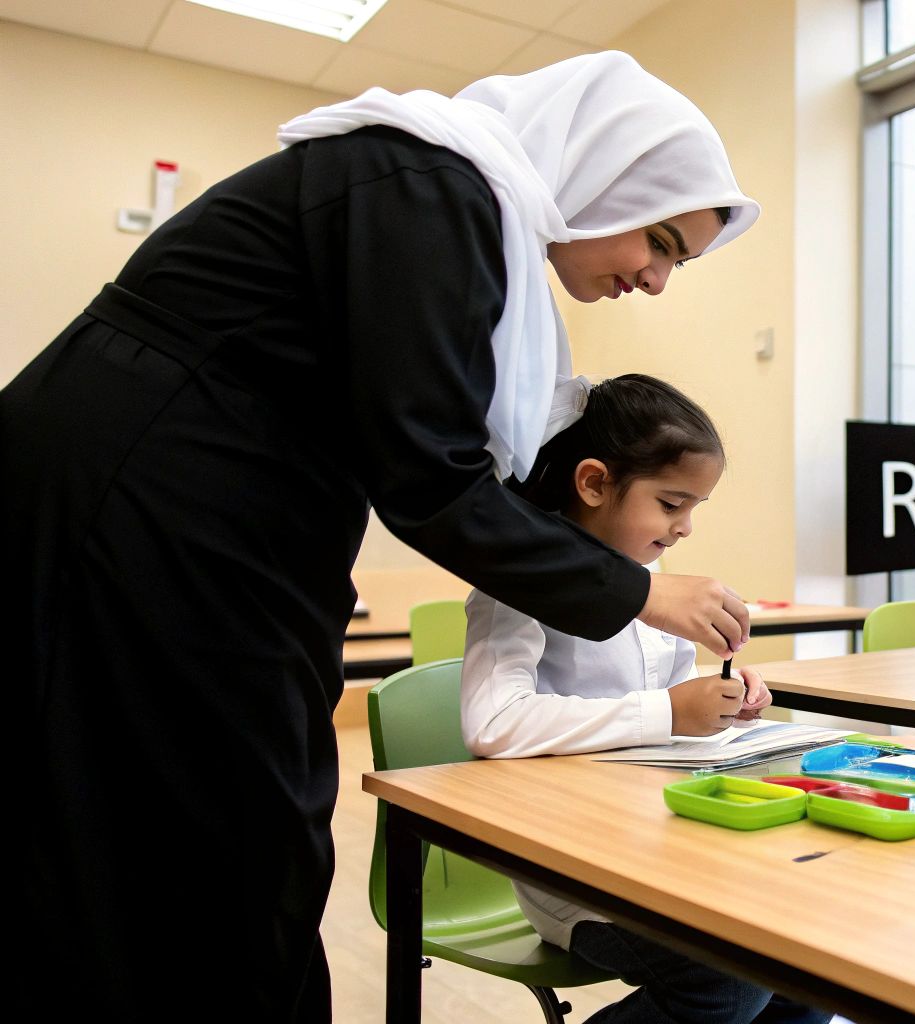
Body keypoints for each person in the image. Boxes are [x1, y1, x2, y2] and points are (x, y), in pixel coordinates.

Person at [2, 52, 759, 1020]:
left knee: (210, 836)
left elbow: (423, 459)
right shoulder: (432, 185)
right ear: (602, 170)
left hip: (203, 511)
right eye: (658, 241)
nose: (654, 279)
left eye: (676, 261)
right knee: (200, 835)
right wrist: (644, 591)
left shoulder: (459, 209)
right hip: (140, 498)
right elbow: (431, 478)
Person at [461, 373, 827, 1024]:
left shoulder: (653, 579)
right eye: (670, 504)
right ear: (595, 483)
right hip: (574, 874)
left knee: (814, 955)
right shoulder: (512, 585)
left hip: (664, 845)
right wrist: (668, 713)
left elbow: (673, 702)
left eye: (694, 509)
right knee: (729, 981)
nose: (684, 527)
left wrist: (721, 702)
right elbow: (492, 725)